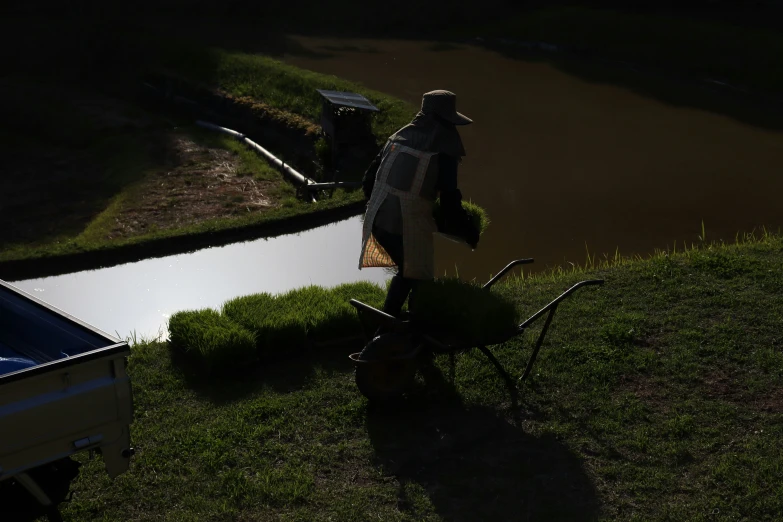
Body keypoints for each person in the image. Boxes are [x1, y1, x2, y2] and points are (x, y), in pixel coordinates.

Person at [359, 90, 480, 321]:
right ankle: (391, 331)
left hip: (376, 219)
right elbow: (449, 202)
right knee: (416, 275)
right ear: (447, 121)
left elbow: (368, 182)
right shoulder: (444, 150)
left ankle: (400, 326)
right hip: (405, 225)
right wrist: (468, 232)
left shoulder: (398, 138)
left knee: (409, 272)